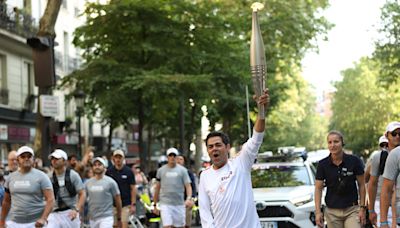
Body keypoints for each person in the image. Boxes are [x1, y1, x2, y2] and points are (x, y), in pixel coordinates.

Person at [198, 89, 270, 228]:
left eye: (218, 145)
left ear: (227, 147)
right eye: (210, 147)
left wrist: (261, 112)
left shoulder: (241, 163)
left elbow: (256, 138)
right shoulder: (205, 176)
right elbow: (205, 212)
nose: (214, 149)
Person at [314, 130, 366, 228]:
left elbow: (362, 185)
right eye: (330, 142)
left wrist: (362, 209)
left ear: (342, 143)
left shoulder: (354, 161)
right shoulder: (322, 164)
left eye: (336, 141)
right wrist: (318, 212)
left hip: (352, 210)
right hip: (331, 212)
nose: (333, 145)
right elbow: (318, 189)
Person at [0, 146, 54, 227]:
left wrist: (43, 218)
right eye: (23, 156)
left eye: (29, 156)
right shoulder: (10, 178)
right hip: (14, 223)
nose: (26, 158)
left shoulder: (42, 176)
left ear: (33, 159)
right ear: (18, 160)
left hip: (35, 223)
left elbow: (50, 199)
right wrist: (2, 221)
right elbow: (6, 202)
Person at [153, 148, 193, 228]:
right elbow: (157, 188)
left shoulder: (183, 170)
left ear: (177, 157)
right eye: (170, 155)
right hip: (165, 204)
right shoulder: (161, 171)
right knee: (167, 226)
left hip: (179, 204)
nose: (172, 157)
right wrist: (155, 204)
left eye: (174, 155)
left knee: (179, 226)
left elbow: (188, 186)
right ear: (167, 157)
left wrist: (188, 198)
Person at [47, 149, 86, 228]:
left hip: (70, 212)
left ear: (64, 161)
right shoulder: (48, 177)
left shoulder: (73, 175)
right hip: (54, 213)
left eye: (57, 159)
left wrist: (76, 209)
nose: (54, 161)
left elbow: (82, 193)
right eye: (52, 159)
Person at [85, 157, 122, 228]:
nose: (97, 167)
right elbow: (83, 198)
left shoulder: (111, 182)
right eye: (95, 165)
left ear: (104, 167)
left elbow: (118, 200)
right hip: (93, 218)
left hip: (106, 217)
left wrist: (119, 218)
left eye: (99, 164)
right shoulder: (88, 183)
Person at [367, 134, 393, 227]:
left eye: (386, 144)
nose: (385, 147)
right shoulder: (375, 157)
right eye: (382, 145)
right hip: (379, 201)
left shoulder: (396, 156)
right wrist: (370, 209)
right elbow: (368, 181)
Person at [106, 149, 137, 228]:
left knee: (124, 224)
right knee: (115, 225)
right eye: (116, 157)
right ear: (113, 159)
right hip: (113, 204)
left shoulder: (128, 171)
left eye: (120, 157)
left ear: (123, 159)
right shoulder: (109, 172)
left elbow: (133, 188)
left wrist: (133, 204)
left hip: (125, 203)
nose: (118, 159)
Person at [379, 121, 400, 228]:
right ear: (386, 135)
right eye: (394, 134)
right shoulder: (379, 157)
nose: (397, 136)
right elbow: (387, 189)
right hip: (385, 206)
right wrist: (384, 222)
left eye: (399, 134)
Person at [176, 155, 196, 228]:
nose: (178, 161)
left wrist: (192, 198)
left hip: (186, 200)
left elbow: (193, 187)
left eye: (181, 159)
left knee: (186, 223)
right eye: (177, 159)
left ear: (183, 161)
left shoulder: (188, 173)